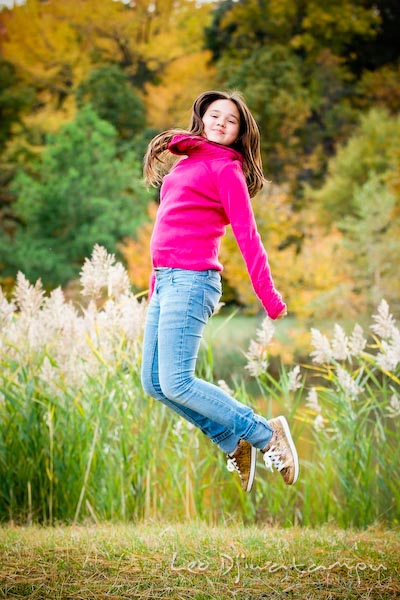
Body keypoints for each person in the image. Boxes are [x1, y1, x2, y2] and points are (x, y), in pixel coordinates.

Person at [141, 90, 299, 492]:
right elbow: (168, 228)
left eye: (231, 121)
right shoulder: (187, 162)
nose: (221, 123)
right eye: (215, 115)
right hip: (166, 281)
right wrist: (155, 285)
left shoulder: (226, 168)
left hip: (192, 280)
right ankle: (232, 440)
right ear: (202, 118)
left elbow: (248, 236)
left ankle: (265, 433)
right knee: (154, 383)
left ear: (239, 132)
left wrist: (269, 297)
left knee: (177, 381)